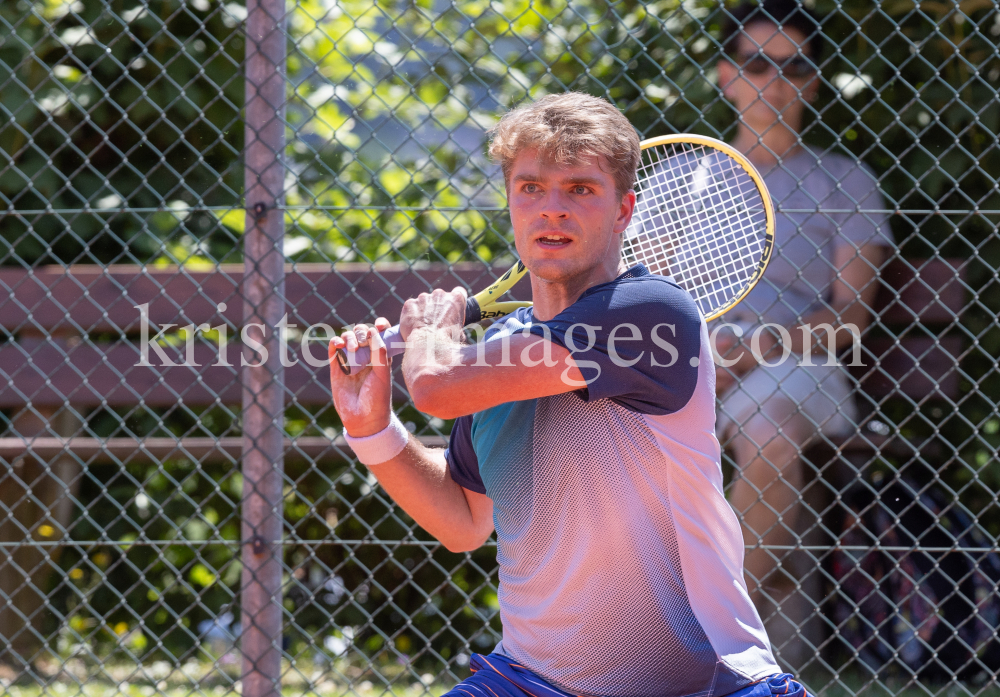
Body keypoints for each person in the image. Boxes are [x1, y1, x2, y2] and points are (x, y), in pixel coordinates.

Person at [328, 92, 811, 697]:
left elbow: (436, 387)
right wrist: (370, 427)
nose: (551, 209)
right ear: (510, 204)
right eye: (530, 187)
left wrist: (428, 334)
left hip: (706, 684)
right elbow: (462, 522)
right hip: (531, 681)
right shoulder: (498, 351)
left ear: (623, 211)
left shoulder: (652, 314)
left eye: (579, 189)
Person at [713, 0, 892, 666]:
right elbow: (644, 301)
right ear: (726, 75)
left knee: (772, 427)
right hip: (691, 358)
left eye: (795, 66)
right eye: (757, 62)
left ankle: (707, 636)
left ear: (814, 81)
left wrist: (758, 346)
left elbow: (849, 320)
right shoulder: (682, 174)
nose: (776, 80)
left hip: (800, 363)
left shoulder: (846, 180)